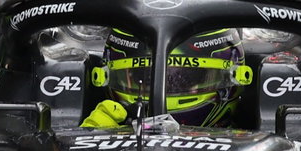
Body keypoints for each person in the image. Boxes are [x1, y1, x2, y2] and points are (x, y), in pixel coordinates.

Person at [88, 28, 248, 127]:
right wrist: (90, 138)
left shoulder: (254, 147)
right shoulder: (100, 130)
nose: (162, 91)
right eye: (144, 78)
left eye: (187, 78)